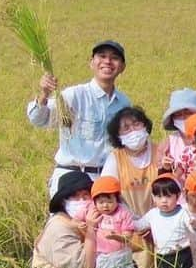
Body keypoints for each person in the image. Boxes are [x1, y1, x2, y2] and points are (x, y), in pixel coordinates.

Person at [27, 39, 130, 195]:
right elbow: (39, 119)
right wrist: (44, 93)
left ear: (122, 67)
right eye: (101, 56)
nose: (107, 62)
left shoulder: (123, 103)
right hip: (71, 177)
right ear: (91, 63)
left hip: (106, 180)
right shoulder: (75, 95)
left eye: (114, 58)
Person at [101, 106, 160, 268]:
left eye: (136, 124)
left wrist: (153, 220)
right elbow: (108, 193)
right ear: (118, 136)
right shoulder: (115, 159)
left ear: (145, 126)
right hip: (128, 225)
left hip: (160, 219)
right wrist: (134, 222)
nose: (133, 130)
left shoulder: (160, 152)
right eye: (126, 128)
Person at [30, 170, 97, 268]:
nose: (81, 200)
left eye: (86, 195)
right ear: (64, 201)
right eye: (75, 197)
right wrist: (91, 230)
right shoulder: (59, 227)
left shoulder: (87, 220)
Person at [134, 173, 194, 268]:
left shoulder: (183, 212)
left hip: (182, 254)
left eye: (168, 196)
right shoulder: (153, 214)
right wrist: (122, 219)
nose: (164, 200)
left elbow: (194, 228)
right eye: (159, 196)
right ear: (153, 197)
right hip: (162, 255)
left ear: (178, 195)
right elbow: (138, 226)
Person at [87, 176, 136, 268]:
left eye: (109, 202)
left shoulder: (123, 213)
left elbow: (128, 237)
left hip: (121, 254)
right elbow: (76, 219)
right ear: (94, 202)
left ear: (117, 199)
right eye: (101, 202)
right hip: (103, 255)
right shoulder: (93, 211)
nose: (105, 206)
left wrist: (116, 236)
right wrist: (82, 224)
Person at [159, 88, 196, 174]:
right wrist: (165, 167)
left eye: (188, 113)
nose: (183, 117)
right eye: (178, 114)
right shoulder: (168, 144)